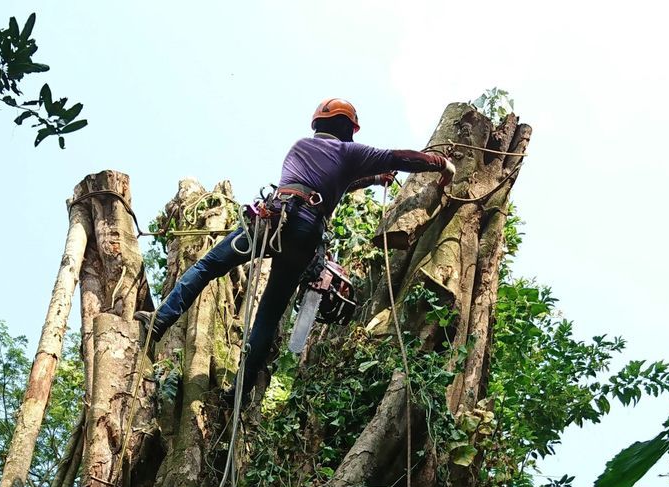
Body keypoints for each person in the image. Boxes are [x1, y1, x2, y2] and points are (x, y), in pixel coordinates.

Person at [135, 98, 455, 404]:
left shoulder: (300, 147)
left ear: (319, 123)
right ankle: (241, 390)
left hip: (273, 219)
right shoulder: (349, 153)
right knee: (268, 314)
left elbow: (336, 178)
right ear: (349, 129)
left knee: (208, 267)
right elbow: (398, 157)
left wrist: (372, 179)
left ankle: (160, 321)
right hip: (304, 234)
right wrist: (442, 165)